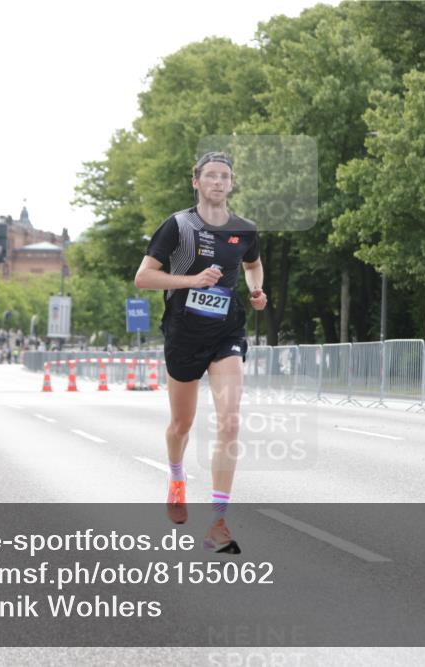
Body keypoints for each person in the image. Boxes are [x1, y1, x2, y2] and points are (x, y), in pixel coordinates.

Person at [134, 151, 267, 554]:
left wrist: (258, 290)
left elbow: (252, 265)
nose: (218, 182)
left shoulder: (244, 229)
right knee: (182, 424)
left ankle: (218, 524)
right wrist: (193, 279)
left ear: (231, 182)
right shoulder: (179, 226)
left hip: (226, 330)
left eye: (224, 176)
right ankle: (176, 478)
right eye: (210, 176)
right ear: (196, 182)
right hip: (184, 332)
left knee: (229, 422)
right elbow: (144, 278)